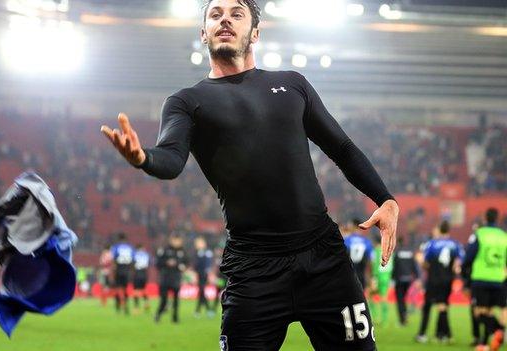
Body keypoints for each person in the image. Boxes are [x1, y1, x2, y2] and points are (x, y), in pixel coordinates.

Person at [100, 0, 398, 349]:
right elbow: (170, 158)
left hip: (324, 259)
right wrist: (142, 158)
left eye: (236, 13)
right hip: (253, 268)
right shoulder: (187, 101)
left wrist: (386, 199)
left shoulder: (293, 85)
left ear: (255, 32)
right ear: (203, 33)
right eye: (215, 14)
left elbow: (342, 148)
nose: (225, 18)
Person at [463, 208, 507, 351]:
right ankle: (485, 343)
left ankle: (498, 330)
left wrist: (465, 275)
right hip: (498, 279)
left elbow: (469, 257)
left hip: (481, 278)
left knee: (479, 312)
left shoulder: (479, 234)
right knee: (488, 311)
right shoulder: (503, 236)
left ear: (485, 218)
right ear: (497, 219)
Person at [415, 221, 463, 344]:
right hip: (447, 280)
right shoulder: (455, 244)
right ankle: (443, 335)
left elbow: (425, 262)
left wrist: (422, 263)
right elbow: (459, 262)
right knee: (443, 306)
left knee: (427, 306)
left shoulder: (432, 244)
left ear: (439, 230)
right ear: (448, 230)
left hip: (433, 279)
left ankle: (422, 334)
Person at [155, 233, 187, 323]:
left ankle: (175, 318)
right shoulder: (164, 250)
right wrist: (166, 263)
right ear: (171, 240)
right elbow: (158, 263)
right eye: (175, 240)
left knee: (176, 300)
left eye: (178, 240)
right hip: (165, 278)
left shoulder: (183, 251)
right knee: (164, 300)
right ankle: (158, 315)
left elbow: (186, 263)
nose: (177, 242)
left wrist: (181, 266)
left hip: (176, 278)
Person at [392, 236, 420, 326]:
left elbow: (394, 267)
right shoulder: (409, 252)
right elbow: (414, 265)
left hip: (399, 279)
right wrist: (417, 277)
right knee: (404, 299)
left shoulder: (397, 252)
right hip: (408, 279)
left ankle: (402, 320)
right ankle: (405, 315)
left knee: (400, 300)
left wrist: (392, 279)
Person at [343, 219, 374, 291]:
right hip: (361, 274)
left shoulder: (346, 240)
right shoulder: (367, 242)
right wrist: (371, 276)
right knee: (361, 297)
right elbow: (371, 260)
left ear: (353, 226)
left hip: (349, 274)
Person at [369, 236, 394, 327]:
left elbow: (374, 264)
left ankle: (374, 317)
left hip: (378, 276)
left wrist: (373, 277)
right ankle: (384, 320)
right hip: (387, 277)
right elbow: (392, 265)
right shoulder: (389, 251)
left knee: (371, 294)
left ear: (375, 243)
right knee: (384, 298)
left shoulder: (376, 251)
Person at [110, 232, 134, 314]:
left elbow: (113, 259)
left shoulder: (116, 247)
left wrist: (113, 271)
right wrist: (131, 271)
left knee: (118, 288)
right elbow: (133, 260)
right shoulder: (130, 248)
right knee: (125, 289)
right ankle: (126, 306)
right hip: (127, 269)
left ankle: (118, 306)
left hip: (119, 268)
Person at [194, 235, 214, 318]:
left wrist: (209, 274)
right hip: (199, 274)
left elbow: (208, 264)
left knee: (201, 290)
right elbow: (196, 265)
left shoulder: (207, 252)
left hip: (204, 274)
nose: (198, 244)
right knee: (201, 292)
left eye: (199, 243)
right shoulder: (198, 252)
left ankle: (205, 310)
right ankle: (199, 310)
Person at [132, 243, 151, 313]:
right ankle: (146, 302)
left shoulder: (135, 254)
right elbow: (148, 263)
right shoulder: (146, 254)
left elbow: (132, 263)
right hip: (144, 273)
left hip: (137, 273)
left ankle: (136, 308)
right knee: (143, 289)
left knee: (136, 290)